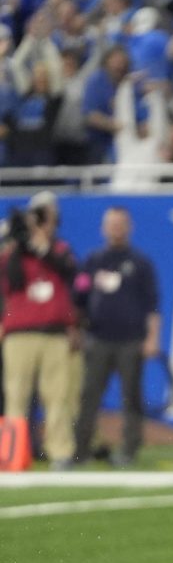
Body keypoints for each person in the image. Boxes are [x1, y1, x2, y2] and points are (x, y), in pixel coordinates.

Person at [73, 207, 160, 467]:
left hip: (131, 340)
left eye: (120, 223)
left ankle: (128, 451)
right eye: (111, 223)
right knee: (89, 396)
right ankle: (81, 451)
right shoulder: (92, 261)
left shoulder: (141, 263)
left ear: (129, 227)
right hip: (98, 338)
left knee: (131, 397)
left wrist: (152, 338)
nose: (116, 228)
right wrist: (77, 332)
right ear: (103, 228)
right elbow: (79, 299)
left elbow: (152, 306)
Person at [0, 191, 77, 469]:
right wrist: (17, 243)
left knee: (56, 396)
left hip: (54, 332)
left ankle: (60, 453)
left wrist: (39, 246)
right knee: (16, 395)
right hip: (19, 332)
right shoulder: (14, 254)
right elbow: (12, 280)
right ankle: (11, 453)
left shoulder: (58, 249)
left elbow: (69, 270)